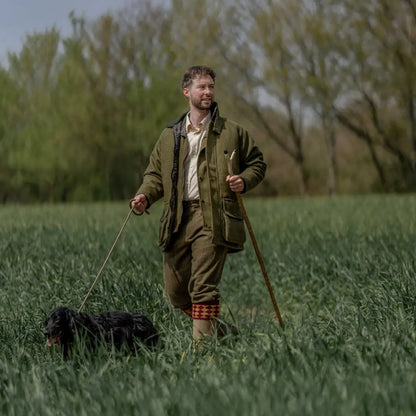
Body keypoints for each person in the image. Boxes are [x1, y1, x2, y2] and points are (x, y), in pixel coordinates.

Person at [131, 65, 266, 339]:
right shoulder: (169, 136)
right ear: (186, 92)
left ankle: (202, 354)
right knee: (176, 292)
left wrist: (244, 180)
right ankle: (226, 335)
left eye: (211, 86)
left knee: (202, 288)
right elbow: (155, 175)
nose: (208, 92)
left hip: (213, 218)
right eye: (202, 87)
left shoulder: (232, 131)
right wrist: (145, 195)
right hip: (177, 219)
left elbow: (257, 163)